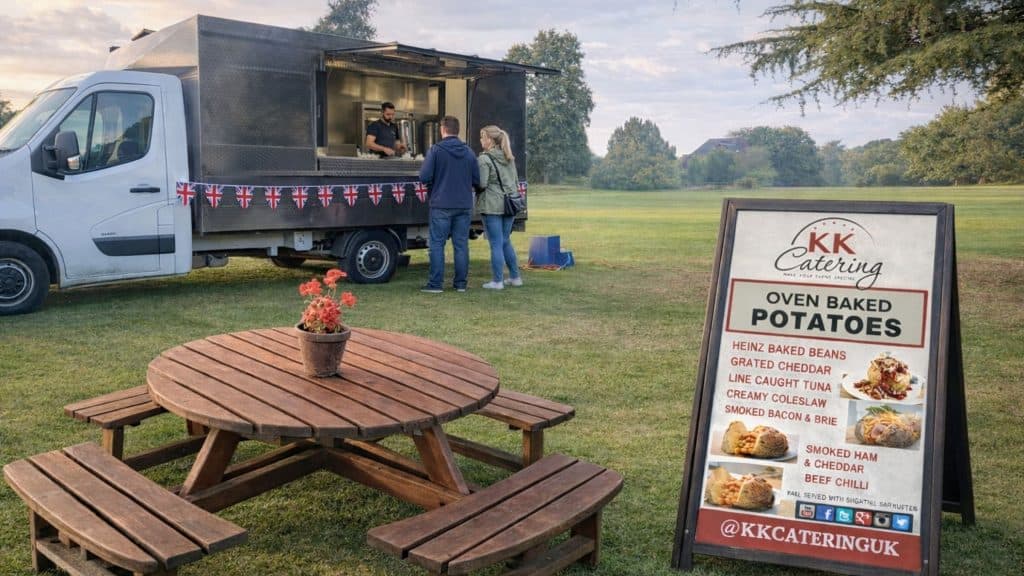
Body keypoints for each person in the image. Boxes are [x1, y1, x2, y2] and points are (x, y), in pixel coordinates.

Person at [418, 116, 480, 293]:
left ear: (442, 129)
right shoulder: (469, 152)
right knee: (461, 245)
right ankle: (460, 284)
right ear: (457, 130)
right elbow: (477, 179)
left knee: (437, 244)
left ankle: (435, 284)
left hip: (441, 204)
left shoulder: (436, 150)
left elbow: (424, 177)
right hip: (464, 205)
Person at [476, 125, 523, 290]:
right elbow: (515, 182)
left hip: (492, 206)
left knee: (496, 243)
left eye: (482, 137)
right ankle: (515, 277)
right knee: (505, 241)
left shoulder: (484, 159)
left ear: (489, 139)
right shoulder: (509, 157)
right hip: (510, 204)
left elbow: (481, 183)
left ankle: (497, 281)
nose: (480, 140)